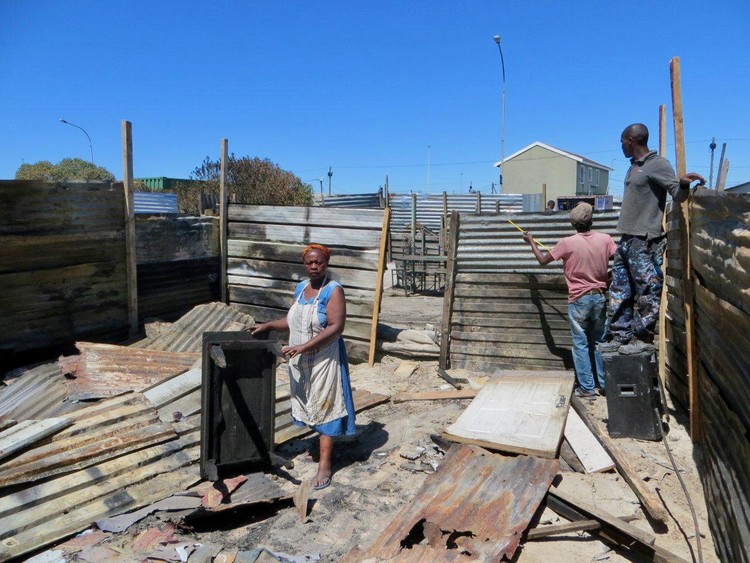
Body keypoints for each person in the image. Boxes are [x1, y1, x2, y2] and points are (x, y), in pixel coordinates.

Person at [250, 243, 355, 490]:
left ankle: (325, 465)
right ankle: (317, 450)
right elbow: (292, 321)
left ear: (326, 263)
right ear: (304, 264)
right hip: (300, 358)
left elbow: (335, 328)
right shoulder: (301, 288)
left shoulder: (333, 290)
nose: (314, 266)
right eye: (309, 262)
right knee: (308, 401)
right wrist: (267, 326)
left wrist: (304, 347)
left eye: (318, 262)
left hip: (324, 359)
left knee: (326, 404)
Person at [599, 123, 705, 353]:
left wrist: (685, 184)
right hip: (626, 238)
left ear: (630, 140)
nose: (621, 146)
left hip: (645, 239)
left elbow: (677, 193)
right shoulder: (633, 167)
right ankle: (620, 335)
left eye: (622, 142)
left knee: (647, 289)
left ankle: (642, 337)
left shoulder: (658, 164)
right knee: (619, 289)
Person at [523, 202, 617, 397]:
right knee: (600, 342)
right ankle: (604, 385)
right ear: (591, 220)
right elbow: (621, 259)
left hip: (579, 299)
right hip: (600, 297)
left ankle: (587, 388)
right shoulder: (605, 239)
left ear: (573, 224)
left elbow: (542, 261)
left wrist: (531, 241)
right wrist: (608, 277)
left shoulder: (567, 243)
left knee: (581, 344)